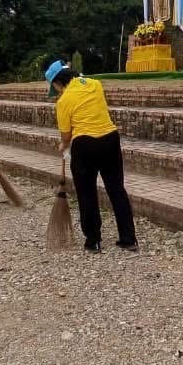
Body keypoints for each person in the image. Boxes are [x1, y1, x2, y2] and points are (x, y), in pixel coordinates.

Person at [46, 59, 137, 253]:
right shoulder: (95, 84)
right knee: (116, 189)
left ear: (57, 82)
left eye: (54, 86)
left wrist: (63, 145)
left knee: (86, 193)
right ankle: (129, 239)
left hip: (84, 145)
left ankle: (93, 241)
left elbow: (66, 136)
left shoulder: (63, 101)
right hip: (110, 139)